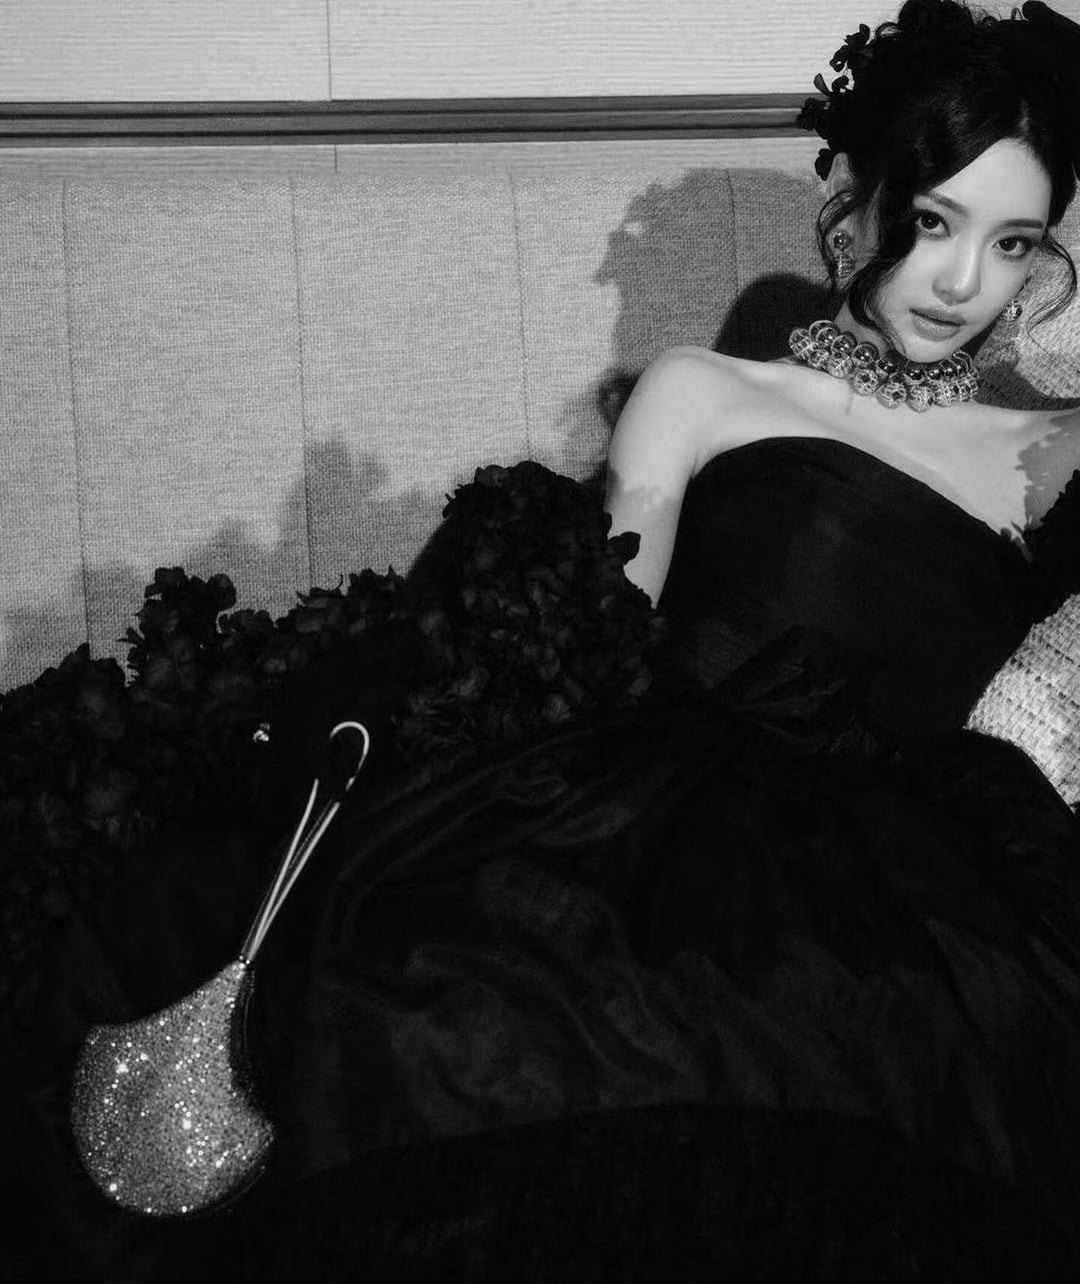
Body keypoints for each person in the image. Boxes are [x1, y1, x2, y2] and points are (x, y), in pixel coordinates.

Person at [14, 1, 1080, 1279]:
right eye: (933, 222)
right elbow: (595, 642)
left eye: (1012, 243)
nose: (963, 284)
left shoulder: (1049, 452)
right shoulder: (707, 390)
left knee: (872, 1038)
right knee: (468, 1017)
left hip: (908, 882)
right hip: (651, 819)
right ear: (854, 199)